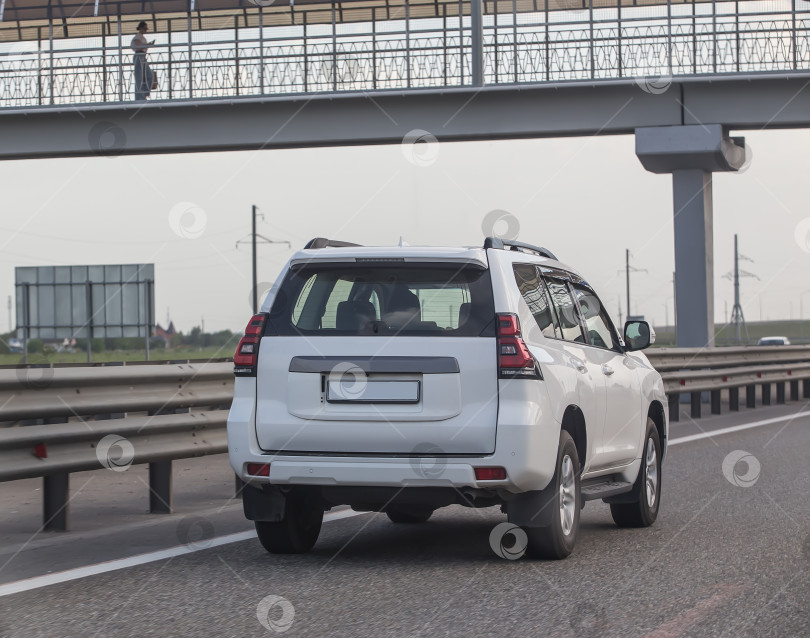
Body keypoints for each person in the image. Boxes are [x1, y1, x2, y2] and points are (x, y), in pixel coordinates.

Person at [131, 21, 155, 101]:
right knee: (139, 78)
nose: (145, 30)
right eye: (144, 28)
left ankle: (144, 93)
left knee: (150, 75)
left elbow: (141, 46)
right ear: (140, 28)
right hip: (139, 56)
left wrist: (148, 45)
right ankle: (139, 97)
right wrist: (147, 45)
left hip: (143, 57)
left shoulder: (142, 37)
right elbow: (138, 48)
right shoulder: (138, 37)